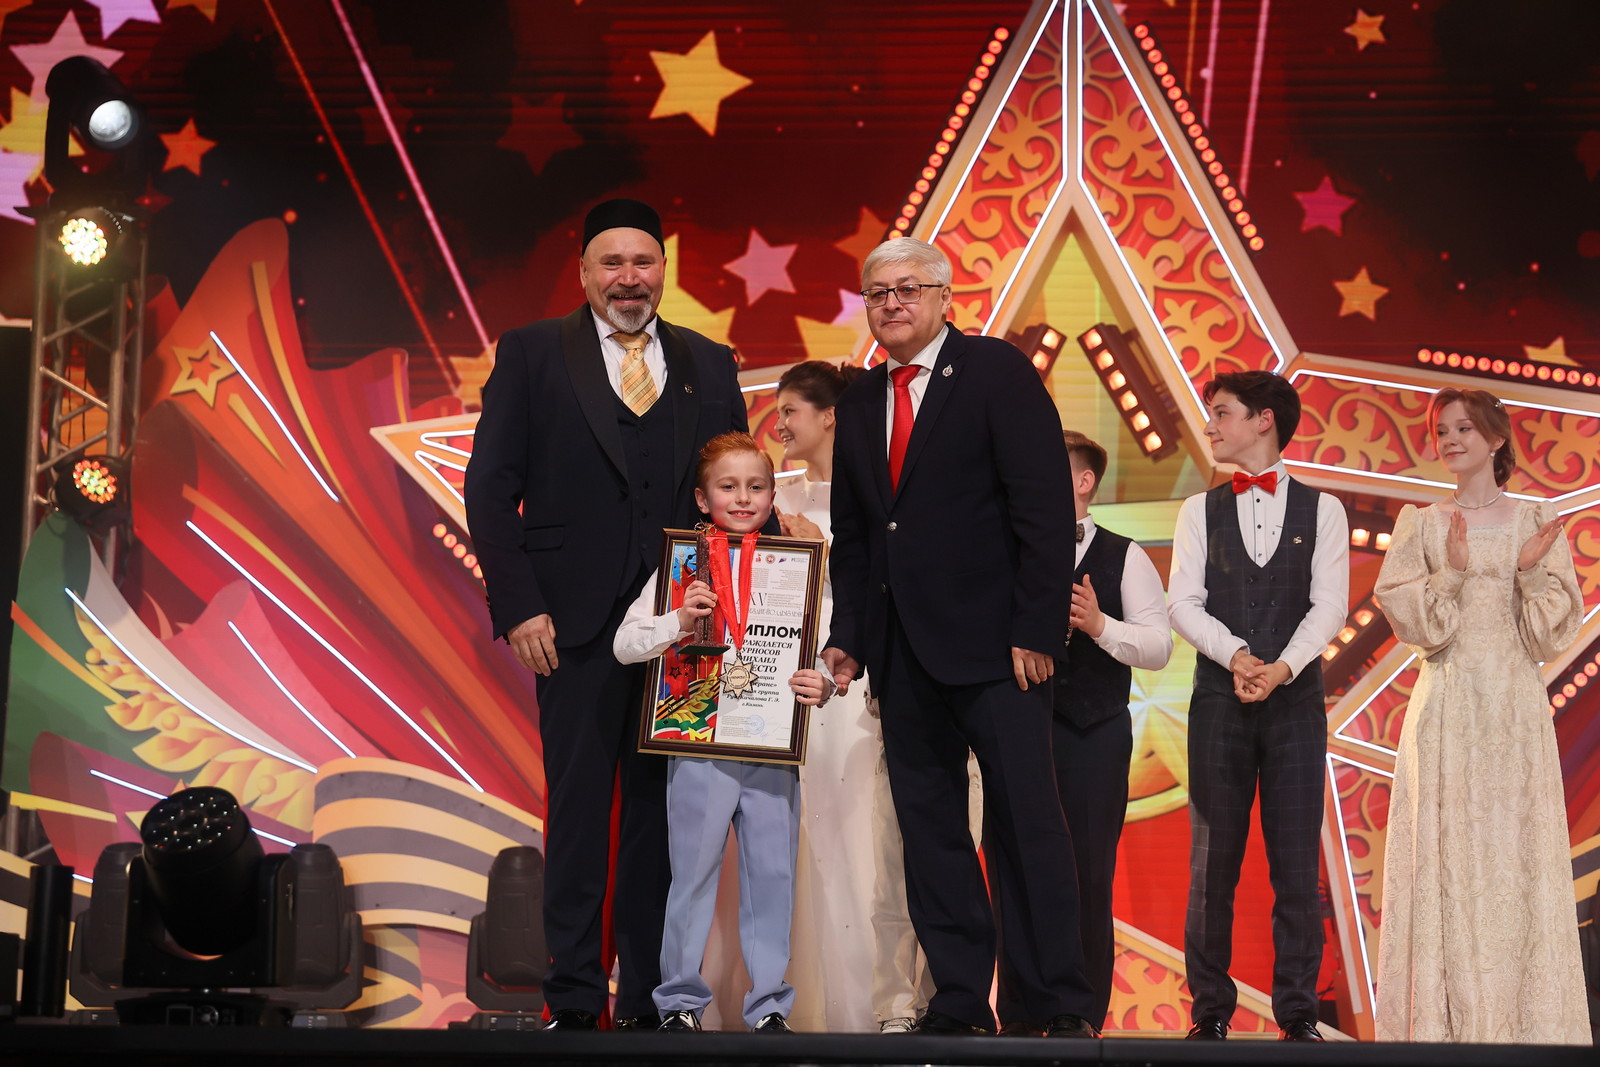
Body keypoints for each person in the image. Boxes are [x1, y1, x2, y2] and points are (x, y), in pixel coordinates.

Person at [463, 198, 749, 1031]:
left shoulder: (708, 362)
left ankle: (652, 998)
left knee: (668, 816)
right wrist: (520, 605)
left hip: (686, 626)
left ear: (664, 270)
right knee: (581, 812)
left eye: (644, 261)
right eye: (612, 263)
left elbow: (733, 487)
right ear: (585, 271)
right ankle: (575, 995)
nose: (630, 278)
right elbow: (489, 488)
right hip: (571, 626)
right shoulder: (530, 353)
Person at [821, 236, 1098, 1038]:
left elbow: (1043, 509)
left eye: (908, 288)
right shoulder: (861, 398)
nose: (892, 304)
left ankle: (1056, 1002)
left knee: (1027, 823)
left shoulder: (996, 372)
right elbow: (858, 533)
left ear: (945, 296)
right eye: (878, 292)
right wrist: (850, 635)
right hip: (902, 653)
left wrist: (1037, 626)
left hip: (1001, 651)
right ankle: (959, 1000)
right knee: (932, 832)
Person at [1373, 387, 1589, 1044]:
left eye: (1464, 428)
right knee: (1449, 862)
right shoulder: (1421, 524)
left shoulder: (1535, 521)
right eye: (1442, 429)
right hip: (1447, 707)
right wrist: (1453, 575)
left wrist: (1528, 575)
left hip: (1515, 713)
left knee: (1516, 861)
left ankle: (1530, 1028)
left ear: (1496, 439)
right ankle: (1444, 1027)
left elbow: (1550, 634)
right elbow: (1420, 627)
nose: (1450, 439)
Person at [613, 431, 831, 1034]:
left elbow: (826, 646)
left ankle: (769, 1008)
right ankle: (680, 1003)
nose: (743, 498)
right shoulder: (682, 564)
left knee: (773, 877)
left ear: (772, 496)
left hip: (770, 746)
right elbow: (625, 645)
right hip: (698, 745)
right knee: (691, 877)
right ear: (702, 498)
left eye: (756, 487)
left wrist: (824, 682)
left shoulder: (796, 563)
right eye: (728, 487)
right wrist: (678, 620)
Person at [1166, 369, 1348, 1043]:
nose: (1210, 425)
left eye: (1222, 412)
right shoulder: (1198, 509)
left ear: (1263, 419)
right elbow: (1182, 603)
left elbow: (1330, 605)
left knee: (1296, 864)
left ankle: (1298, 1014)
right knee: (1211, 863)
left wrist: (1281, 668)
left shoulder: (1324, 509)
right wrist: (1239, 656)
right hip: (1220, 698)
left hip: (1295, 703)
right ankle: (1209, 1010)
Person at [994, 430, 1173, 1035]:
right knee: (1013, 869)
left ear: (1084, 481)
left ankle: (1080, 1014)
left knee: (1087, 873)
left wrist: (1100, 625)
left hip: (1093, 733)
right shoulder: (1004, 548)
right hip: (1016, 729)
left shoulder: (1125, 555)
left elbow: (1159, 647)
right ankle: (1017, 1013)